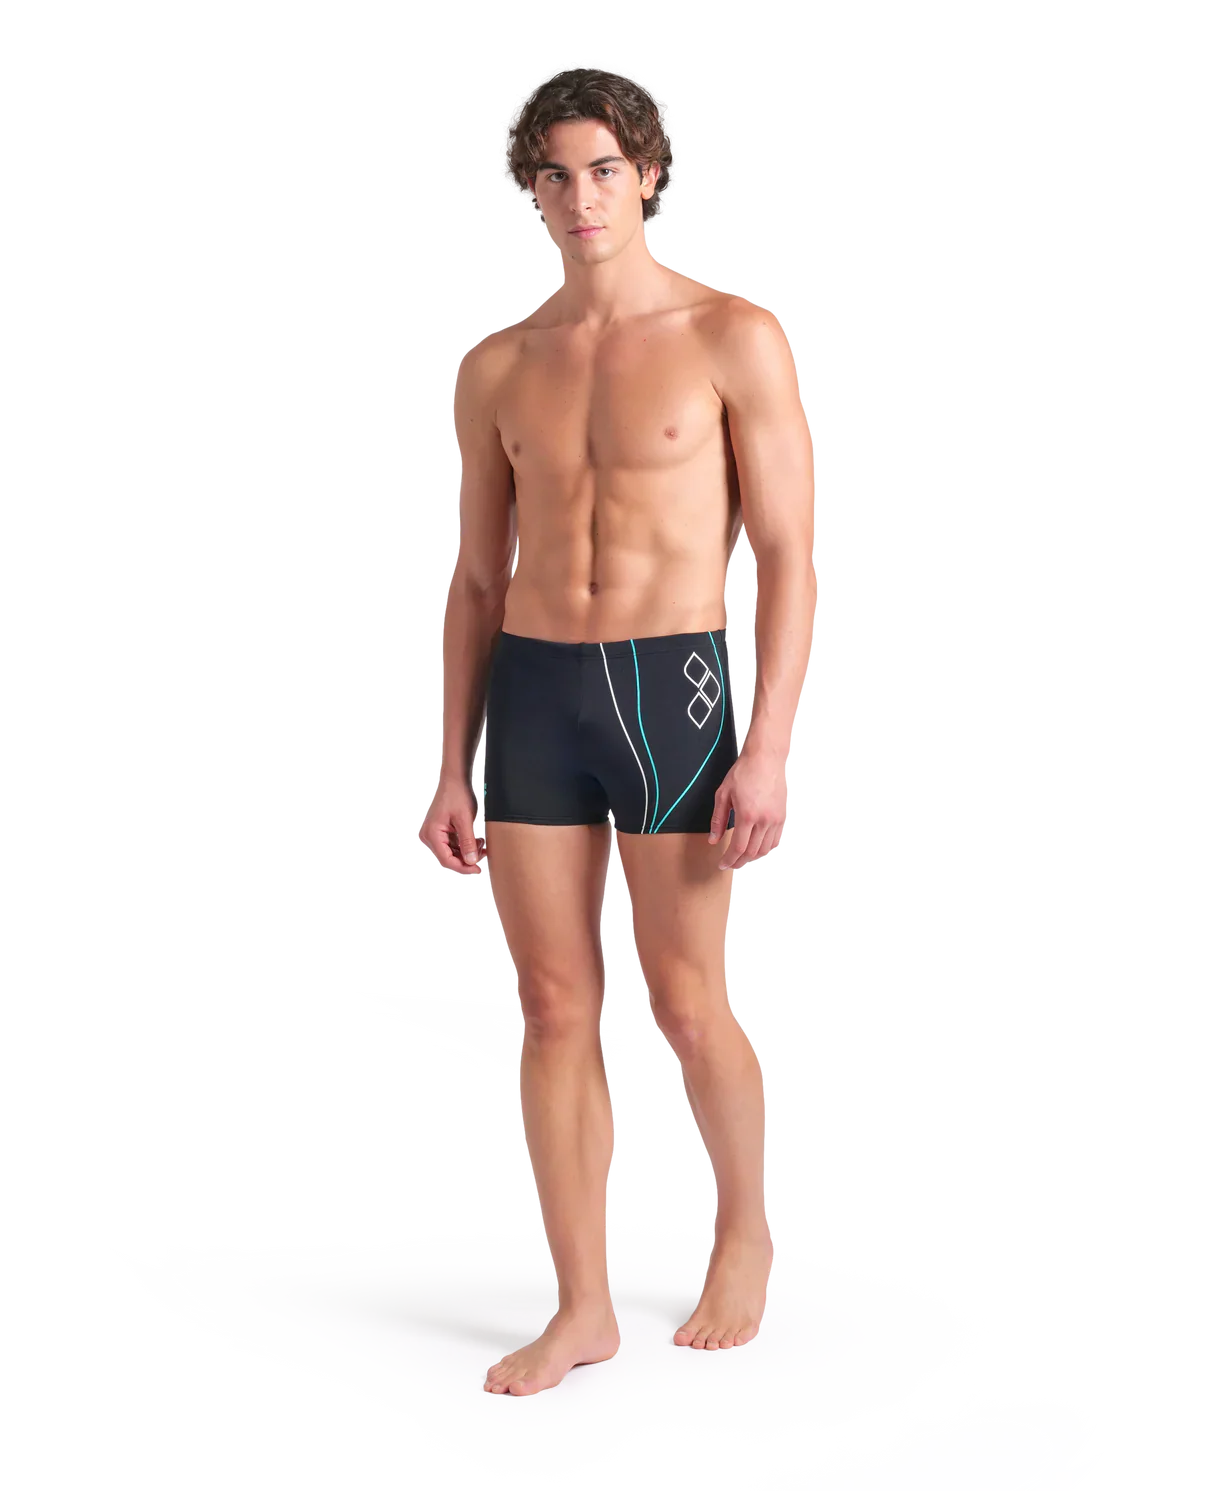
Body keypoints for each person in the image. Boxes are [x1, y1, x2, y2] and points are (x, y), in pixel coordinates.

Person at [421, 64, 818, 1397]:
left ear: (647, 175)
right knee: (550, 1006)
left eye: (604, 169)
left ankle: (745, 1234)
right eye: (555, 175)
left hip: (673, 692)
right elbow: (475, 580)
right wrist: (450, 764)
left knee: (690, 1002)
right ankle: (582, 1303)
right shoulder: (496, 364)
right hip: (534, 695)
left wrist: (769, 744)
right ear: (529, 191)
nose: (580, 198)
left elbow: (788, 552)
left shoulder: (731, 334)